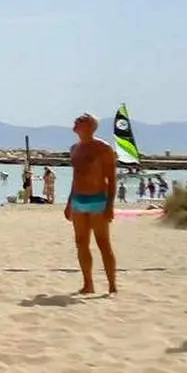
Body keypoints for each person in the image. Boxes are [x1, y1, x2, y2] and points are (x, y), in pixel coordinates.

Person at [65, 113, 118, 294]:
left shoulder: (103, 148)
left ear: (90, 126)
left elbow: (111, 179)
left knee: (103, 243)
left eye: (81, 120)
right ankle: (88, 284)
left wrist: (110, 206)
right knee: (81, 242)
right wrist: (69, 202)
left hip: (98, 200)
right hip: (78, 200)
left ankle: (112, 285)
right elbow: (75, 178)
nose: (76, 121)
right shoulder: (74, 149)